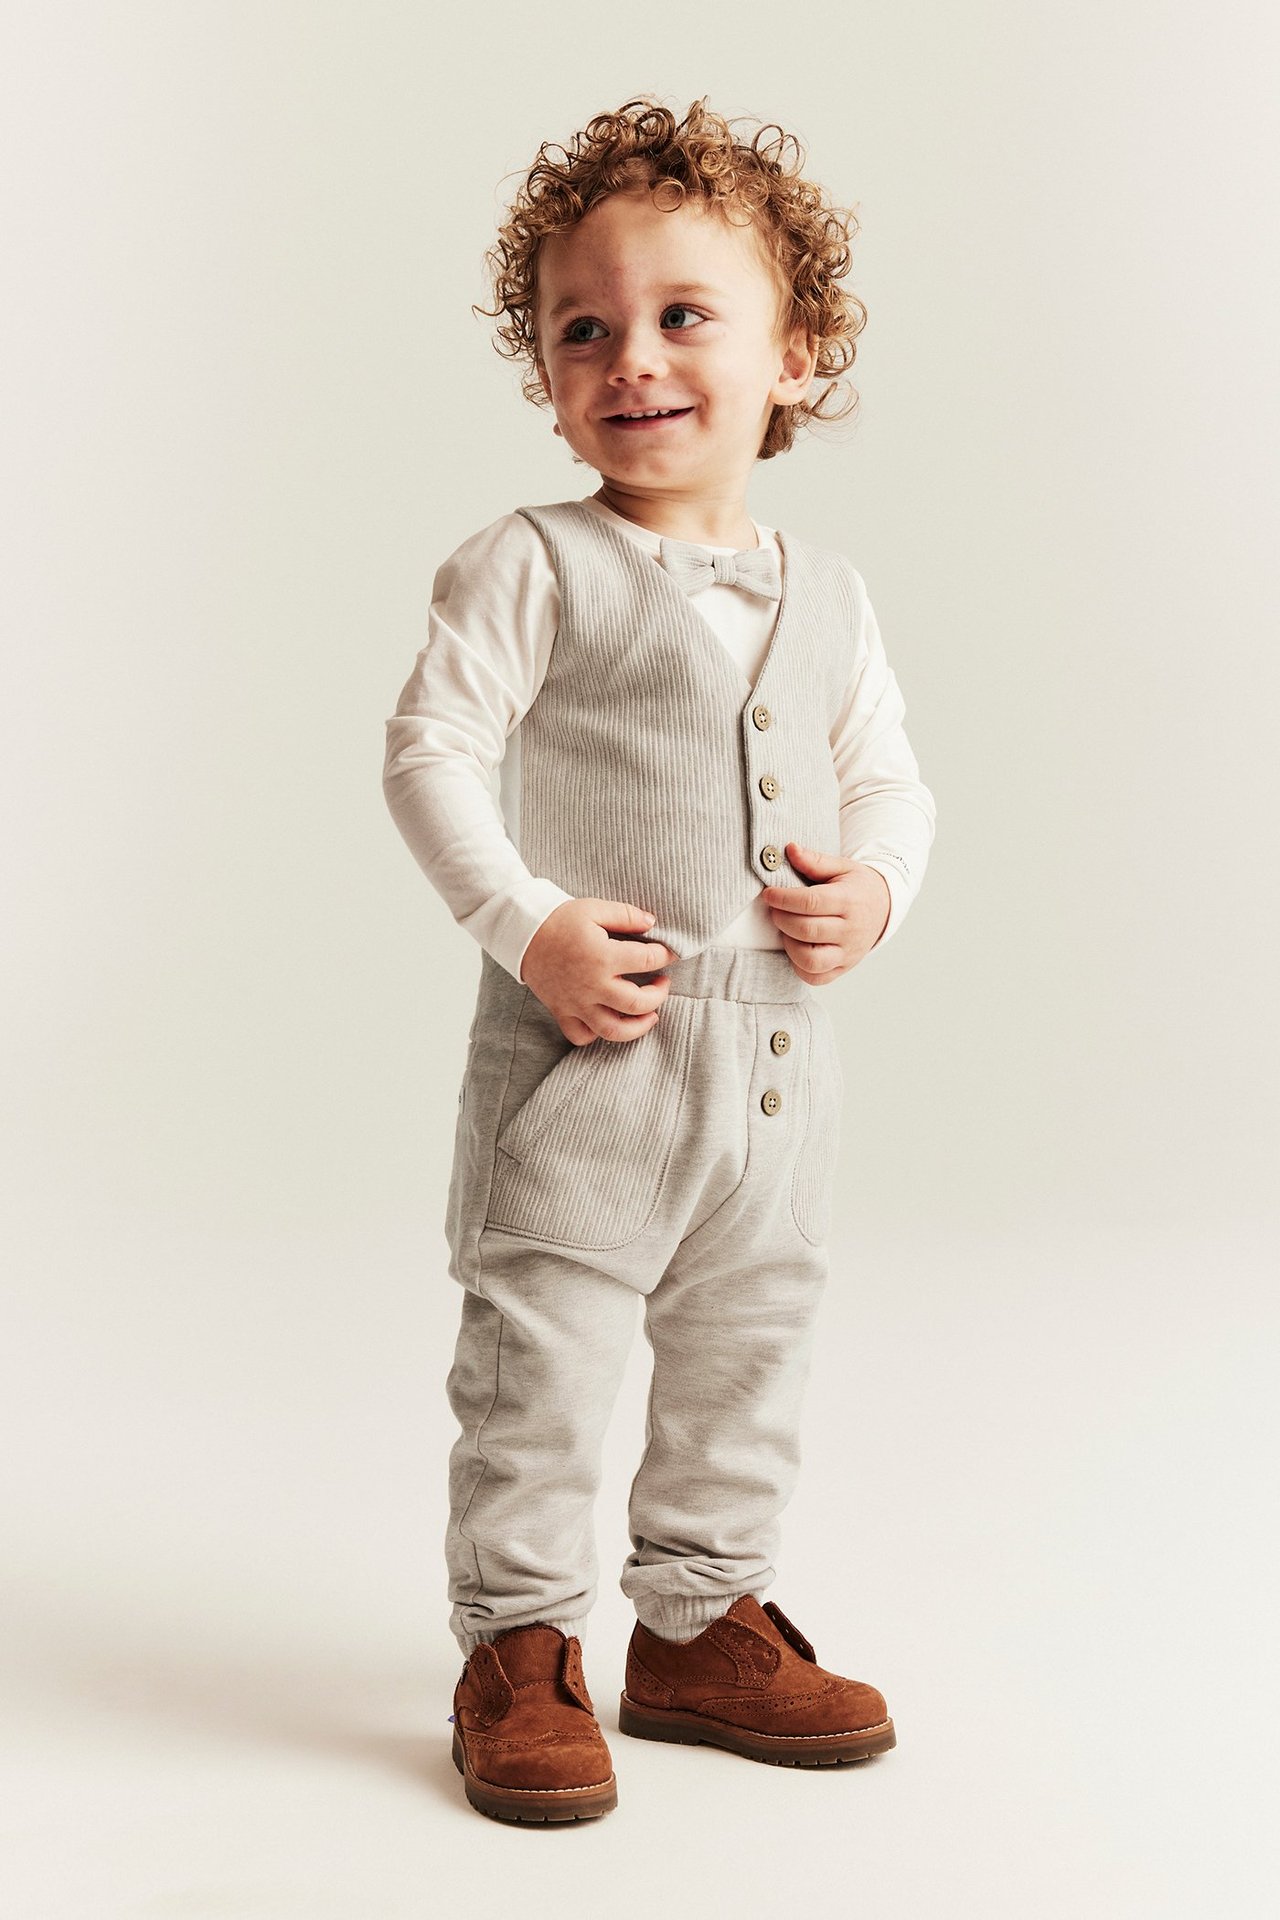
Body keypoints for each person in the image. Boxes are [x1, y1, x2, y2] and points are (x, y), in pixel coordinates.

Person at [382, 94, 937, 1825]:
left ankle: (701, 1626)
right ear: (546, 370)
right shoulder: (532, 564)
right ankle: (518, 1646)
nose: (632, 359)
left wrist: (879, 890)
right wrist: (526, 925)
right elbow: (430, 757)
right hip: (590, 1062)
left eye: (685, 315)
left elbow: (893, 783)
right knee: (540, 1365)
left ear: (797, 353)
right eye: (583, 329)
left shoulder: (829, 595)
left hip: (772, 1078)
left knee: (744, 1358)